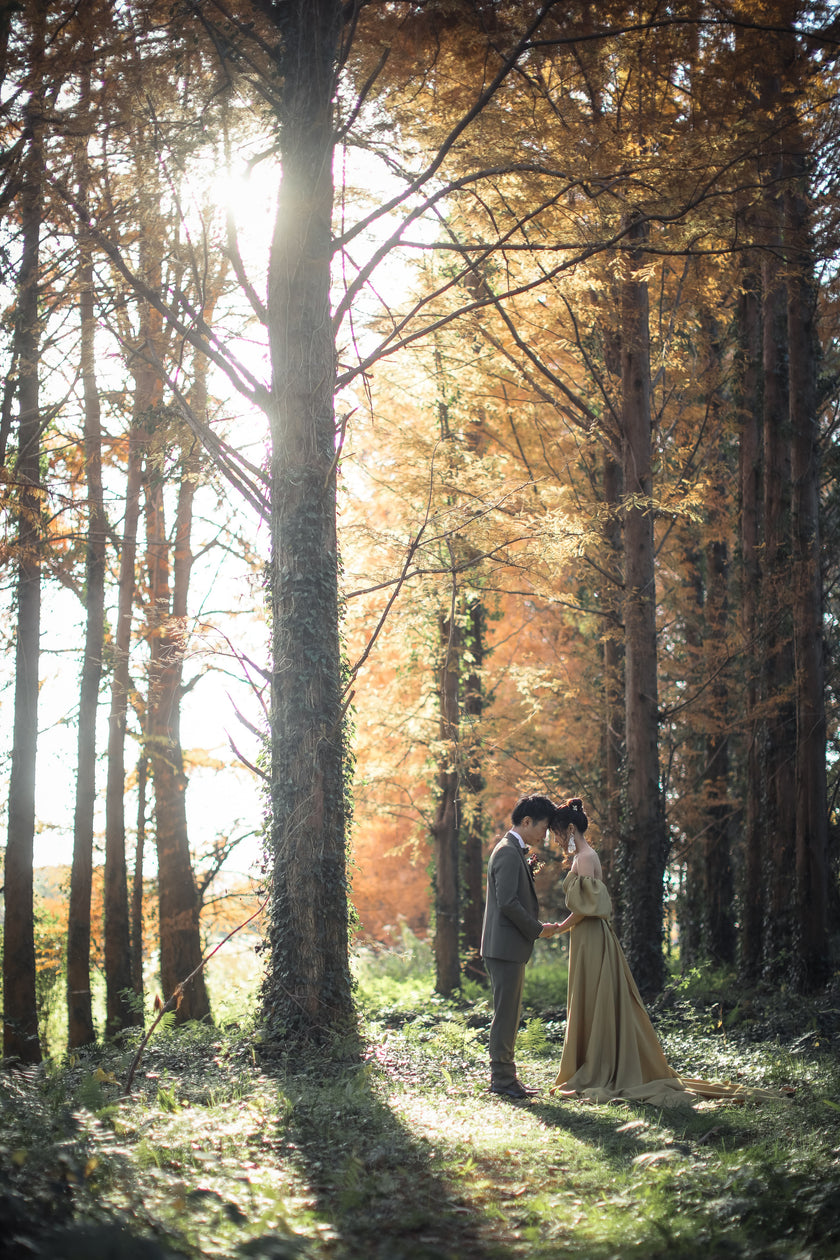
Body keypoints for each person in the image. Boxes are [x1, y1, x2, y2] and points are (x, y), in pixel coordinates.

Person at [550, 797, 783, 1108]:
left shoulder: (585, 858)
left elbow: (587, 908)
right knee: (591, 998)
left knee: (595, 998)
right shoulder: (584, 856)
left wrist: (557, 928)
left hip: (591, 936)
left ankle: (599, 1065)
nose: (554, 839)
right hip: (588, 938)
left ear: (569, 828)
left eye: (556, 832)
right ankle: (593, 1059)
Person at [480, 795, 562, 1098]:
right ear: (526, 822)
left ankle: (507, 1077)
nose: (545, 835)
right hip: (503, 947)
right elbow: (509, 903)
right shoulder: (506, 853)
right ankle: (501, 1080)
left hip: (508, 947)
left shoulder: (514, 851)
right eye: (543, 827)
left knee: (510, 1013)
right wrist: (538, 930)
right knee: (506, 1013)